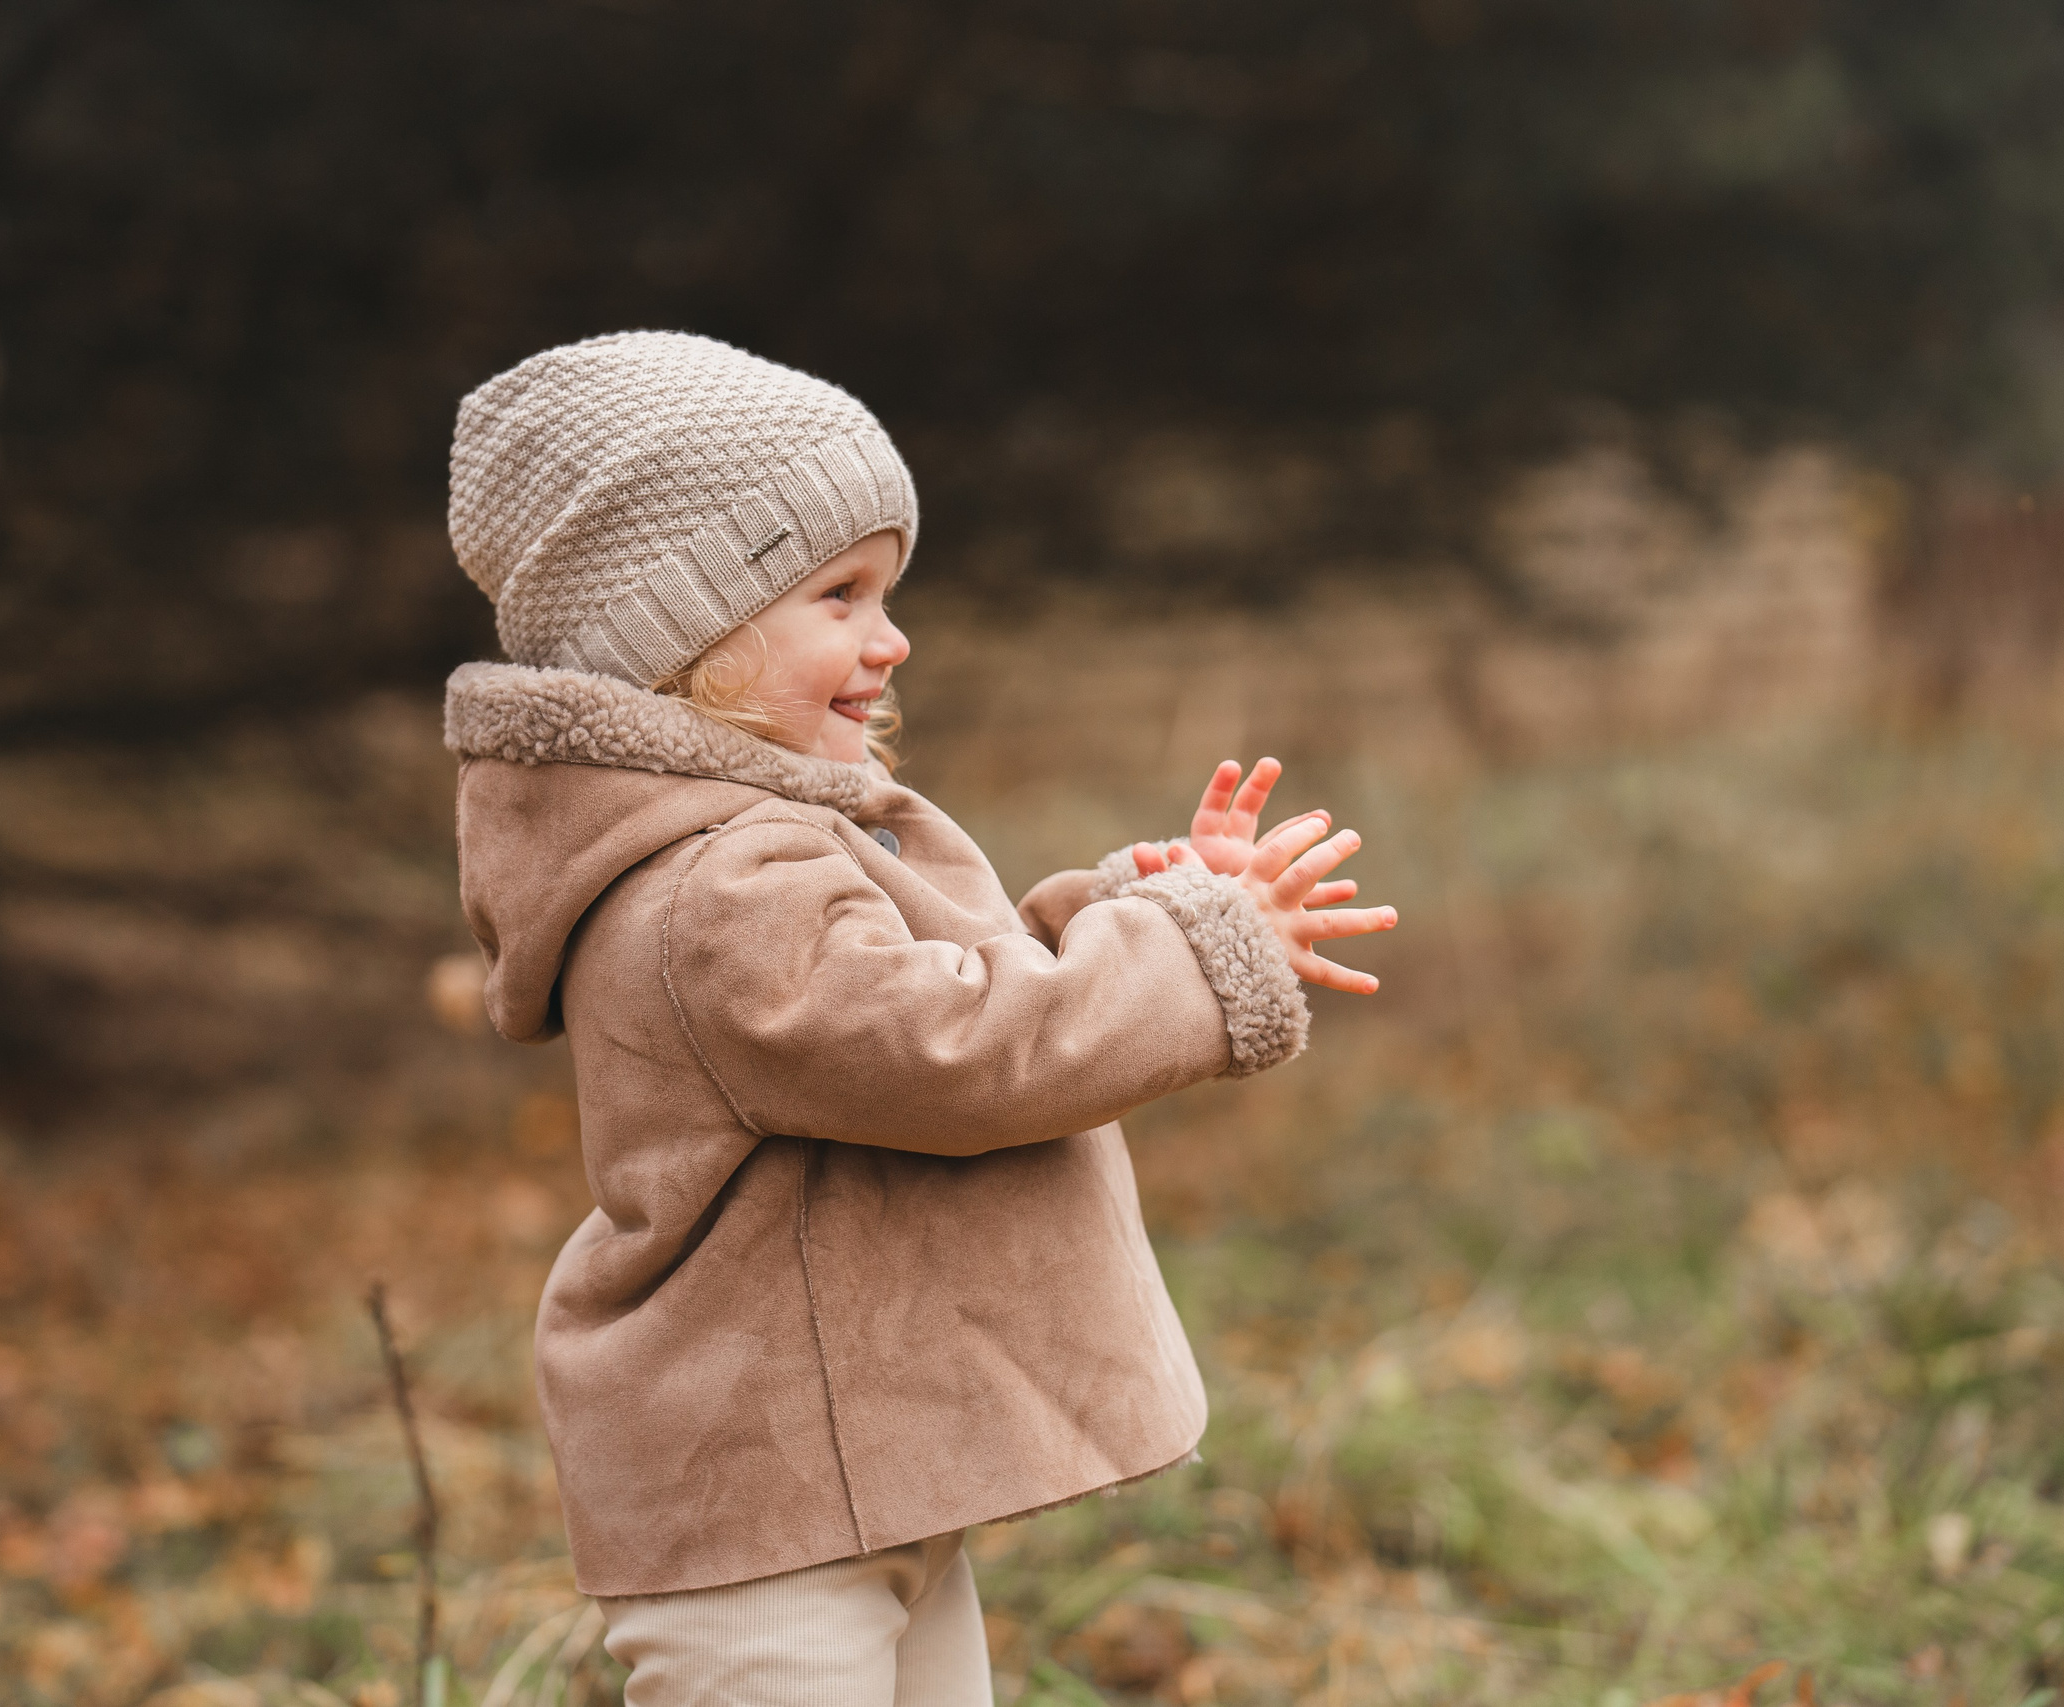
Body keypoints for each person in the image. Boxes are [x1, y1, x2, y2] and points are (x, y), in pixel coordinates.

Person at [441, 331, 1394, 1704]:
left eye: (886, 593)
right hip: (765, 1515)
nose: (890, 641)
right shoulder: (717, 889)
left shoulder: (753, 846)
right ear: (683, 635)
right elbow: (962, 1056)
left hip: (849, 1480)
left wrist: (1149, 905)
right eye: (838, 595)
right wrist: (1193, 955)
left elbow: (950, 987)